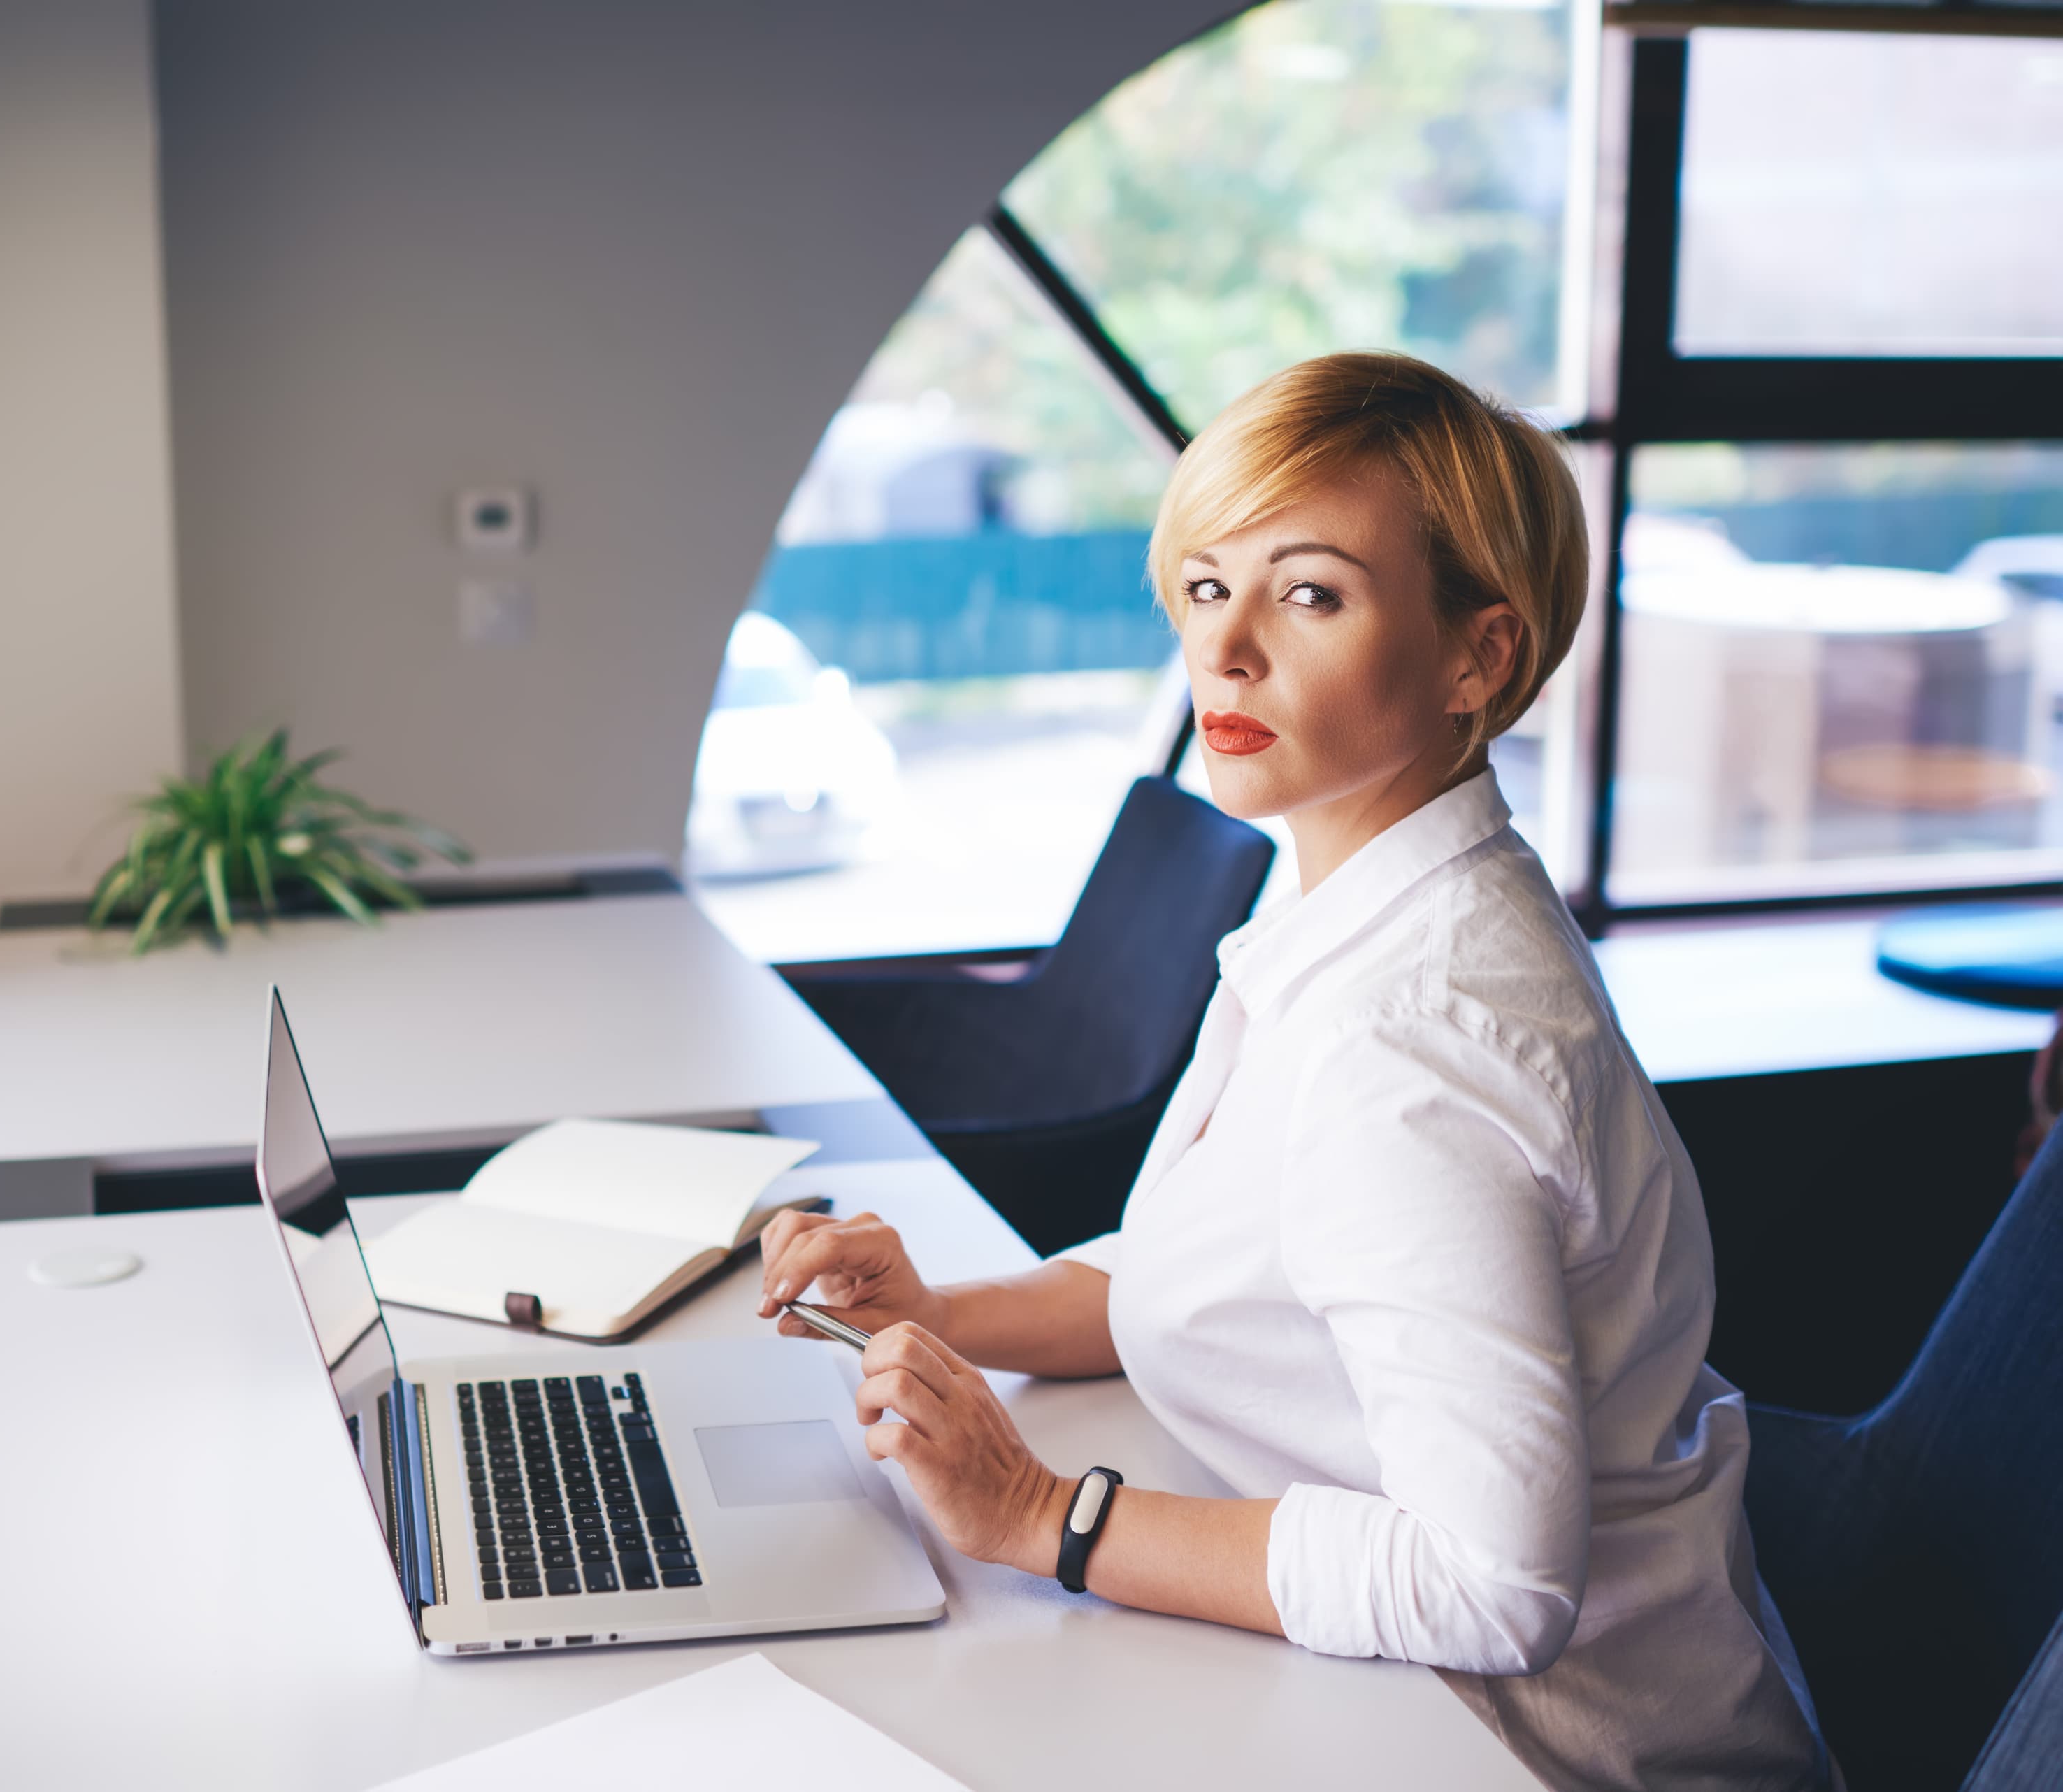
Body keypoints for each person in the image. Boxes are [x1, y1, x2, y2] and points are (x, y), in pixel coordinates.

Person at [757, 352, 1827, 1791]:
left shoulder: (1416, 1051)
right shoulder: (1370, 897)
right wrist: (951, 1315)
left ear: (1477, 656)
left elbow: (1493, 1586)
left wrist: (1037, 1513)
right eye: (1207, 587)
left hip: (1526, 1751)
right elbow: (1245, 1262)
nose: (1228, 649)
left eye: (1310, 593)